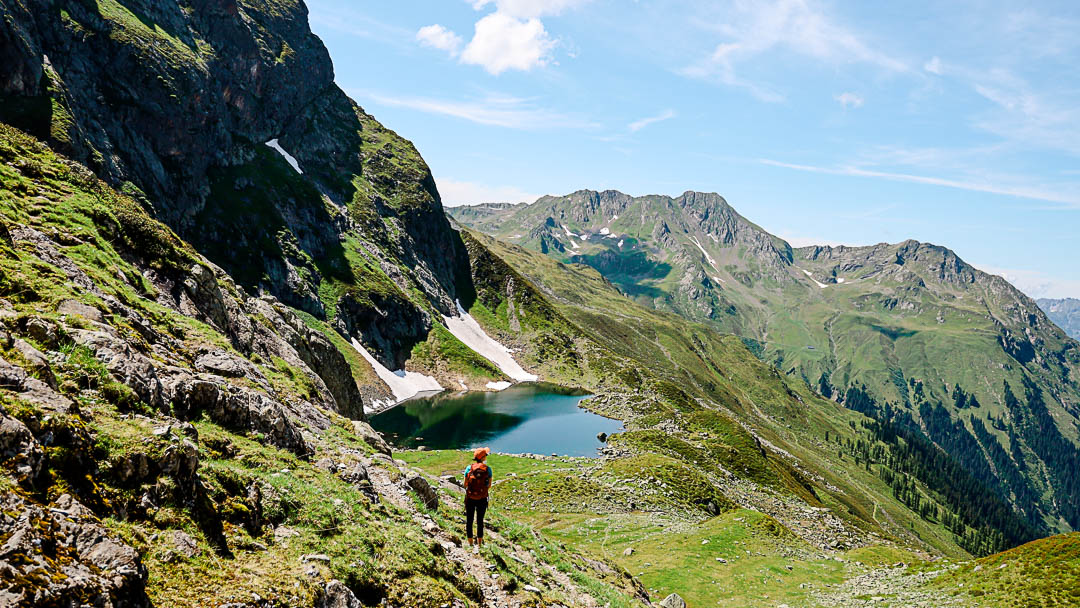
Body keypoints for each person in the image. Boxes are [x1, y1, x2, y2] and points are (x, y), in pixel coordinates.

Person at [463, 447, 492, 554]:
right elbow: (489, 485)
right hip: (482, 499)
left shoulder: (469, 468)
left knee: (469, 520)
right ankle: (479, 544)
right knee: (480, 521)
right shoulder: (487, 469)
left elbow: (465, 484)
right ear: (483, 458)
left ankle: (470, 543)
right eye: (486, 455)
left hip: (470, 498)